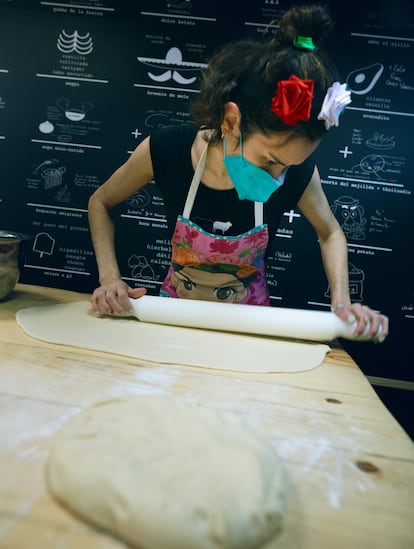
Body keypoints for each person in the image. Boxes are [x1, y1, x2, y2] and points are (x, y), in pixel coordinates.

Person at [88, 4, 388, 342]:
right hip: (173, 318)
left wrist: (342, 305)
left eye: (287, 166)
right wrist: (110, 278)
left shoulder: (297, 173)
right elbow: (100, 202)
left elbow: (331, 232)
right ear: (231, 122)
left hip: (250, 328)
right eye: (271, 160)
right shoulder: (166, 149)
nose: (278, 178)